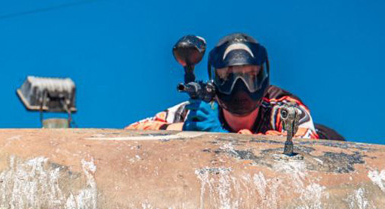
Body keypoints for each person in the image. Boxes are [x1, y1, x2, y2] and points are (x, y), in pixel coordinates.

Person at [127, 33, 318, 139]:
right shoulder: (199, 111)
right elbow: (129, 132)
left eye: (250, 75)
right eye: (228, 76)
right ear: (214, 80)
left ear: (263, 77)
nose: (240, 86)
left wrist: (228, 138)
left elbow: (305, 142)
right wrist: (180, 130)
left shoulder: (282, 110)